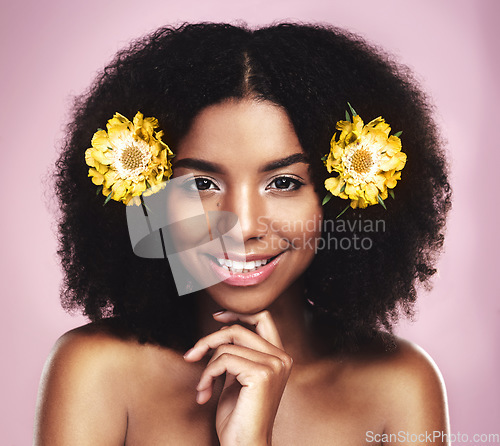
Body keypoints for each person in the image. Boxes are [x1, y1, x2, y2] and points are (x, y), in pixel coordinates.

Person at [34, 22, 452, 445]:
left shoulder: (400, 384)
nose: (244, 226)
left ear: (341, 196)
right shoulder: (95, 370)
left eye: (284, 182)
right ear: (149, 195)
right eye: (201, 184)